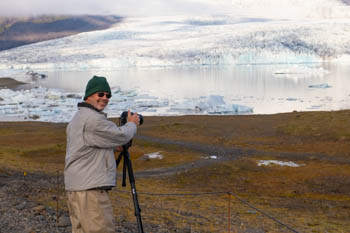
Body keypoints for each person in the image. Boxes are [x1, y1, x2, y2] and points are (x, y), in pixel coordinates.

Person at [64, 75, 140, 233]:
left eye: (108, 95)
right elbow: (121, 135)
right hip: (90, 190)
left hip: (77, 188)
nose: (105, 98)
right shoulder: (93, 120)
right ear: (88, 96)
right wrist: (131, 124)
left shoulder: (78, 118)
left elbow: (87, 146)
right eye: (100, 94)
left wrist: (112, 148)